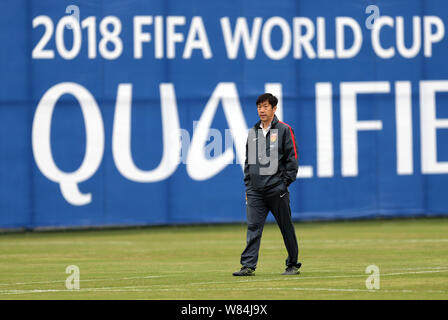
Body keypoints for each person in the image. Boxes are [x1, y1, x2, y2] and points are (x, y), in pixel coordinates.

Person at [233, 93, 301, 276]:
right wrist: (249, 186)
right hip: (255, 191)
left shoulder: (285, 130)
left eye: (265, 106)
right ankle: (248, 266)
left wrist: (284, 183)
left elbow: (292, 160)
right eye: (259, 107)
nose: (261, 110)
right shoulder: (253, 132)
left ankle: (293, 264)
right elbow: (249, 162)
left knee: (286, 227)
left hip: (276, 190)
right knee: (253, 227)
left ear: (274, 108)